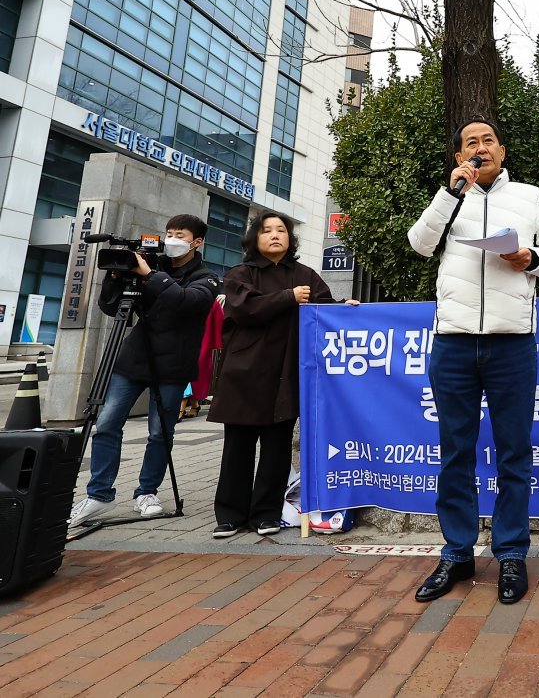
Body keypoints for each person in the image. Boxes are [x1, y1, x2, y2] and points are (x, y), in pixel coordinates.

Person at [407, 118, 539, 604]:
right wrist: (451, 194)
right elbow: (420, 243)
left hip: (512, 344)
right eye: (470, 143)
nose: (480, 148)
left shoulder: (531, 196)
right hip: (453, 343)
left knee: (514, 451)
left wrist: (531, 257)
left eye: (488, 141)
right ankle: (457, 552)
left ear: (502, 148)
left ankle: (512, 553)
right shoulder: (452, 196)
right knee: (455, 451)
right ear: (461, 157)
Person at [207, 212, 358, 539]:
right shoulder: (239, 274)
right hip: (244, 375)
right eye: (267, 231)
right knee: (238, 448)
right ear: (253, 239)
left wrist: (346, 308)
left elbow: (324, 310)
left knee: (276, 449)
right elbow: (245, 309)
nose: (275, 235)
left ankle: (265, 513)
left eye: (281, 230)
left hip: (286, 373)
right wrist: (288, 297)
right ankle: (230, 515)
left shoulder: (305, 275)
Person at [69, 214, 220, 527]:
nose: (172, 239)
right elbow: (111, 308)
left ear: (197, 241)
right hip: (133, 359)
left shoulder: (207, 277)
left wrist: (150, 274)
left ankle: (146, 492)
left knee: (159, 432)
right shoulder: (152, 265)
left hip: (174, 366)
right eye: (169, 233)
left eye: (180, 234)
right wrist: (115, 278)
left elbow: (185, 302)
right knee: (107, 421)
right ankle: (98, 494)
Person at [179, 295, 224, 419]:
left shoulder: (212, 302)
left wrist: (218, 343)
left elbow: (219, 321)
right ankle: (193, 405)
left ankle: (182, 407)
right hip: (184, 339)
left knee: (197, 370)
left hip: (203, 340)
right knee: (186, 370)